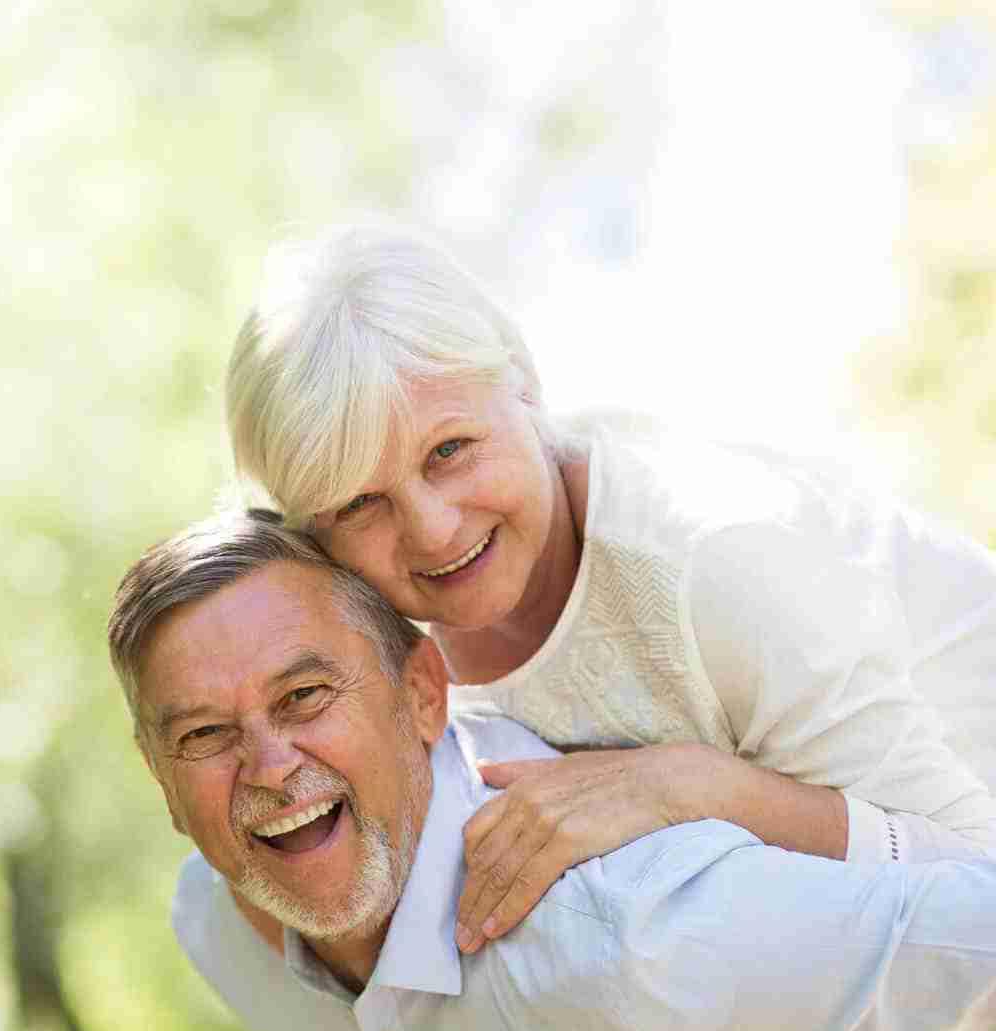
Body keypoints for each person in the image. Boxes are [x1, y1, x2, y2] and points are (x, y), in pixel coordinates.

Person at [108, 511, 996, 1031]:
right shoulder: (217, 926)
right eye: (205, 735)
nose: (267, 766)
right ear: (159, 783)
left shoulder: (624, 925)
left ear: (422, 694)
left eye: (304, 696)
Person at [222, 220, 996, 952]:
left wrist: (686, 787)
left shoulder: (717, 558)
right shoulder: (375, 639)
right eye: (359, 503)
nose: (431, 529)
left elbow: (974, 877)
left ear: (524, 387)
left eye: (450, 450)